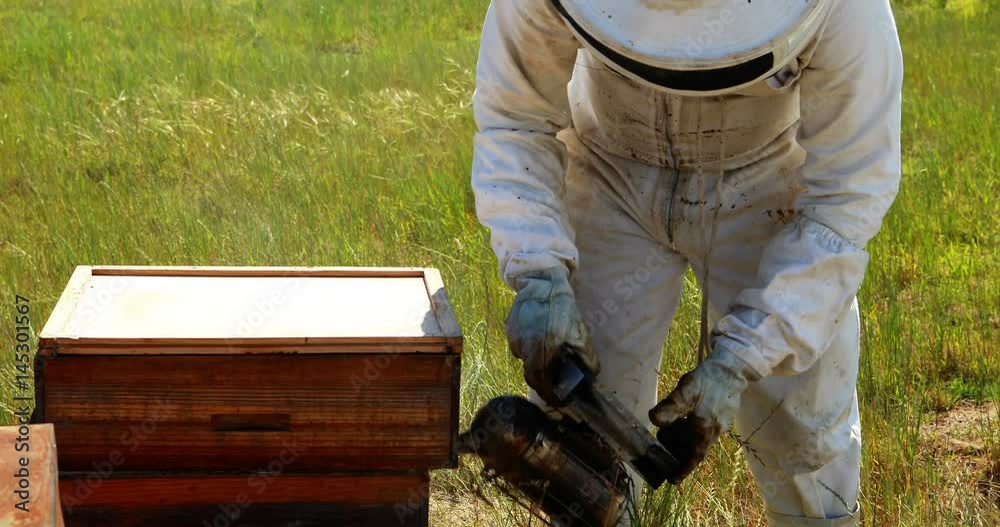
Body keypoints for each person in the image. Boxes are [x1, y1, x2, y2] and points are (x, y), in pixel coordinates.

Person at [470, 0, 903, 525]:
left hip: (764, 177)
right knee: (579, 425)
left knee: (801, 428)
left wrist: (744, 357)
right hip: (608, 165)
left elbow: (846, 198)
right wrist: (539, 269)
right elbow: (515, 119)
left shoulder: (849, 11)